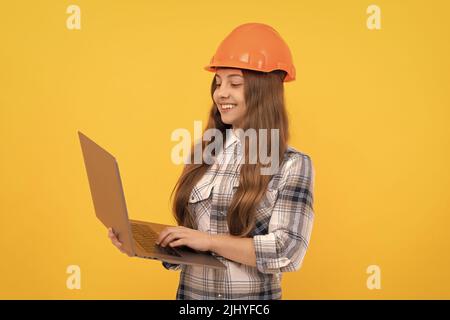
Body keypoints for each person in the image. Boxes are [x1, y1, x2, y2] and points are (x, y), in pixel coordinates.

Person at [108, 22, 315, 300]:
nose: (221, 94)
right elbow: (193, 244)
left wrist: (209, 242)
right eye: (218, 83)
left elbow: (287, 252)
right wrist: (145, 246)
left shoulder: (291, 164)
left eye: (235, 83)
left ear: (264, 91)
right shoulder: (202, 153)